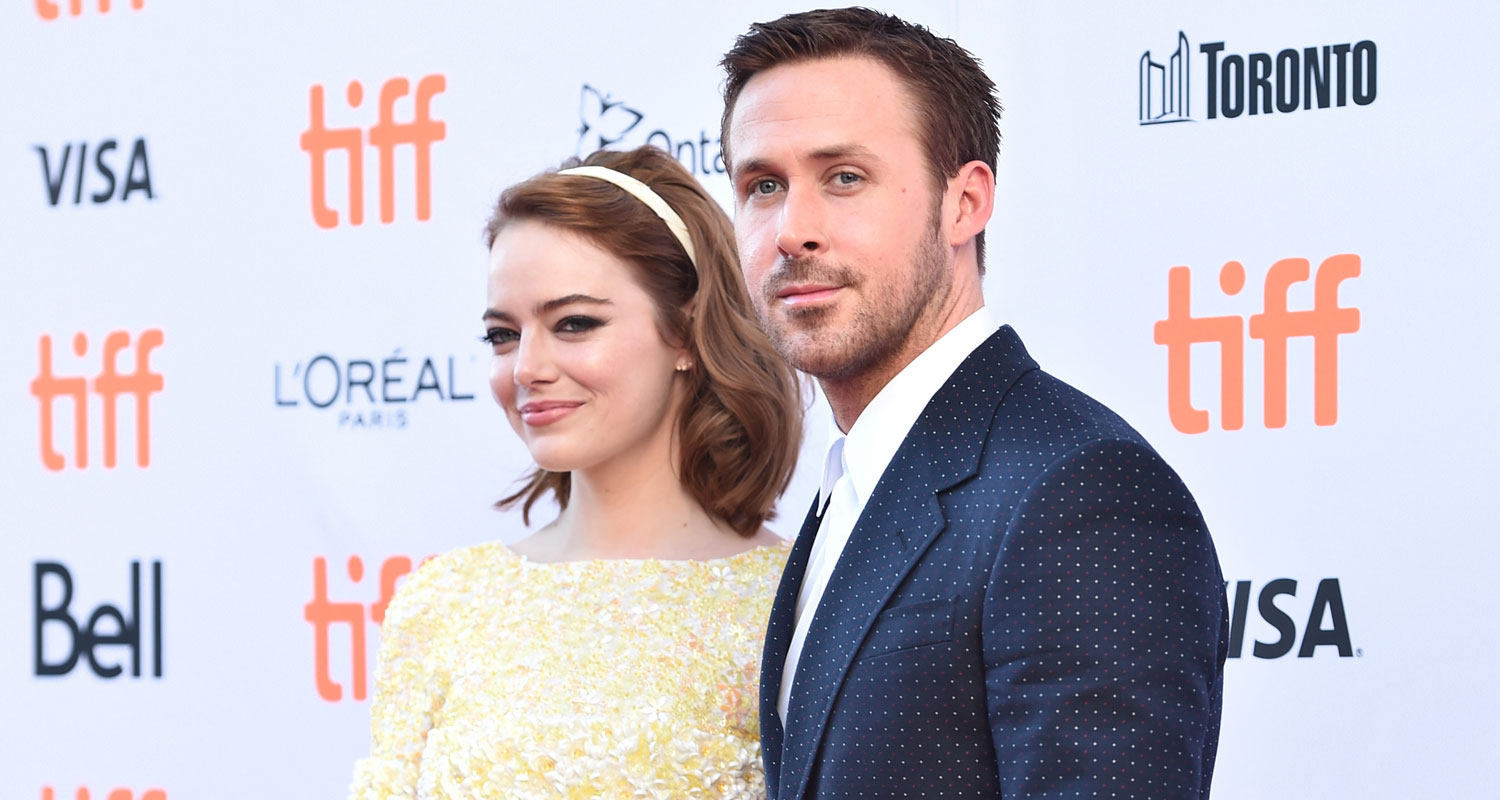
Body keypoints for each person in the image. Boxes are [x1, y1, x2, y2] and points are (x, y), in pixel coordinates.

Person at [719, 8, 1229, 799]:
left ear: (964, 203)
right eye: (763, 186)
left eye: (844, 177)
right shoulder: (854, 483)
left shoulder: (1081, 492)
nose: (793, 230)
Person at [348, 145, 803, 798]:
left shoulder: (792, 606)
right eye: (503, 335)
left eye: (574, 323)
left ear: (685, 331)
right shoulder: (442, 602)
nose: (527, 368)